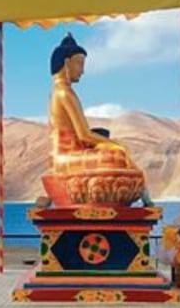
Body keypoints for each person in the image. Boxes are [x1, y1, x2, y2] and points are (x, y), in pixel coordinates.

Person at [47, 33, 153, 206]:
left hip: (72, 154)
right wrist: (117, 145)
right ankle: (142, 193)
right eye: (79, 64)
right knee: (116, 156)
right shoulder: (63, 93)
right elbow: (83, 136)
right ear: (67, 63)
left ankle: (142, 192)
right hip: (66, 157)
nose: (82, 70)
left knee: (114, 152)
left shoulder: (61, 92)